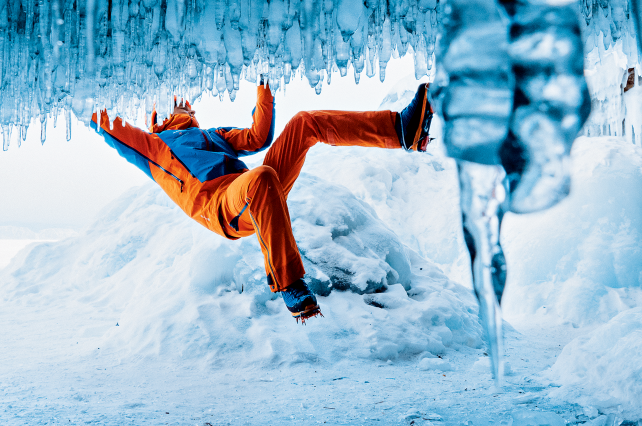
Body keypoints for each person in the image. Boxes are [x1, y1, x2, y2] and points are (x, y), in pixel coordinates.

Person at [92, 79, 433, 322]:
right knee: (260, 178)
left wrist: (263, 82)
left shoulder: (212, 135)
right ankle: (289, 284)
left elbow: (259, 136)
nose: (181, 98)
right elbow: (109, 127)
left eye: (183, 95)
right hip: (223, 208)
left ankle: (403, 130)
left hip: (255, 191)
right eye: (171, 97)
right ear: (157, 114)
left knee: (304, 123)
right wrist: (83, 99)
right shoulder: (155, 146)